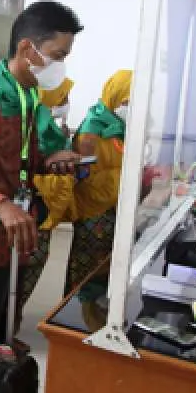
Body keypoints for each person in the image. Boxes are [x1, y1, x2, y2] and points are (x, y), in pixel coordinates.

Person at [0, 0, 84, 344]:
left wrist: (49, 162)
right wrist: (1, 204)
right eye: (57, 55)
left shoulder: (25, 93)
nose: (60, 65)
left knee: (7, 316)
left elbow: (18, 160)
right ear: (27, 48)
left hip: (19, 232)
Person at [65, 70, 132, 331]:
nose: (131, 108)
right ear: (115, 98)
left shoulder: (121, 128)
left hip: (113, 205)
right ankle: (80, 323)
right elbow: (86, 178)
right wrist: (126, 176)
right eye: (127, 102)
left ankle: (96, 321)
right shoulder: (92, 133)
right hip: (94, 210)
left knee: (103, 265)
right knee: (88, 268)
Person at [18, 77, 80, 313]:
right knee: (28, 264)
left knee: (32, 264)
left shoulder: (48, 123)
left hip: (42, 205)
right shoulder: (38, 126)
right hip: (35, 203)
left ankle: (11, 322)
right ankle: (5, 327)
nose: (66, 102)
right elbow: (34, 167)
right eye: (63, 96)